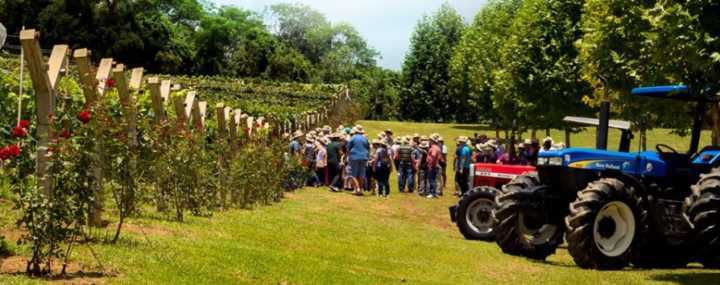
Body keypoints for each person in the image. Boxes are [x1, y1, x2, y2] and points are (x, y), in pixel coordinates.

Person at [347, 125, 370, 196]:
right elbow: (368, 148)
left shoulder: (353, 138)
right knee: (361, 174)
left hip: (354, 157)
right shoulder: (365, 138)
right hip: (364, 157)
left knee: (353, 174)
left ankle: (357, 189)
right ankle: (359, 189)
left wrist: (348, 155)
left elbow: (348, 148)